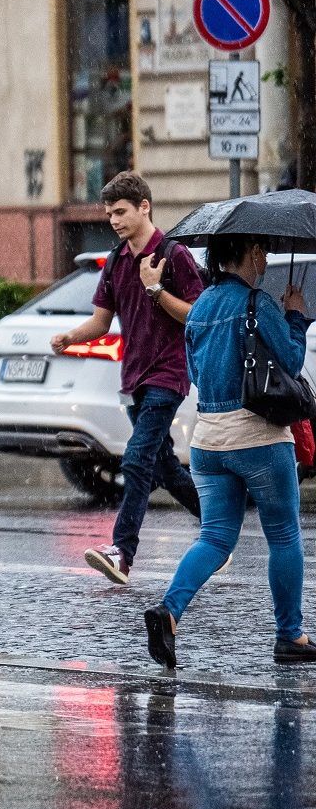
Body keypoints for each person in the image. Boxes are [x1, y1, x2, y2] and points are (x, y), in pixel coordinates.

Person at [145, 233, 316, 669]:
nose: (266, 258)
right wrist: (296, 316)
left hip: (208, 440)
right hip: (258, 437)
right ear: (253, 253)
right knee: (283, 534)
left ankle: (169, 611)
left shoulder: (199, 307)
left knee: (216, 538)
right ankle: (290, 636)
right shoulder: (258, 304)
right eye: (263, 251)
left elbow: (195, 372)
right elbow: (293, 361)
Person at [51, 172, 204, 585]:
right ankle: (217, 533)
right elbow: (102, 322)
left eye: (120, 212)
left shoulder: (175, 255)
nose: (114, 220)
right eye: (109, 213)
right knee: (165, 466)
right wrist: (70, 336)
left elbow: (198, 315)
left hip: (168, 375)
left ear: (144, 207)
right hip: (133, 378)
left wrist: (156, 290)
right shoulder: (117, 261)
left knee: (136, 459)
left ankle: (122, 552)